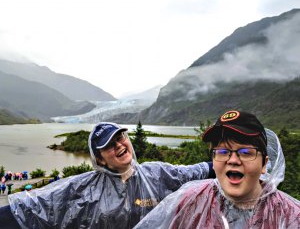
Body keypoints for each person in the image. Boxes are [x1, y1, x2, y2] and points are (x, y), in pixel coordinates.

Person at [0, 122, 215, 228]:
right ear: (100, 159)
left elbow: (196, 171)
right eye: (109, 146)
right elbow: (37, 206)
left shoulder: (156, 173)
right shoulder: (85, 188)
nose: (119, 146)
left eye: (120, 138)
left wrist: (232, 160)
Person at [135, 110, 300, 228]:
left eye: (245, 152)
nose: (233, 160)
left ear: (264, 164)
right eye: (222, 152)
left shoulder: (292, 216)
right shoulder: (189, 201)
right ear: (213, 161)